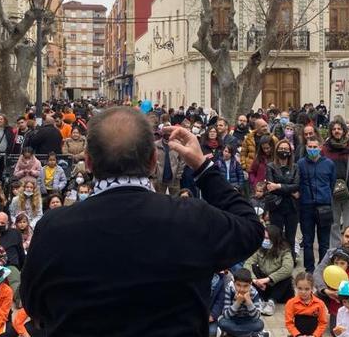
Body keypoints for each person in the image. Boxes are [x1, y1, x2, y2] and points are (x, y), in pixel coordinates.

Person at [21, 107, 264, 337]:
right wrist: (203, 168)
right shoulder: (191, 218)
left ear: (89, 162)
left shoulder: (54, 228)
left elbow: (34, 305)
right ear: (151, 161)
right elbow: (251, 228)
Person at [297, 135, 336, 272]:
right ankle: (309, 269)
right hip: (306, 206)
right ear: (306, 147)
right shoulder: (300, 164)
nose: (312, 149)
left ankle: (323, 268)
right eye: (310, 147)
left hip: (324, 206)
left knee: (324, 241)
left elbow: (332, 184)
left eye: (315, 147)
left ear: (320, 148)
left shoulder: (329, 164)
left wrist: (325, 197)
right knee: (307, 241)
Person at [322, 120, 349, 245]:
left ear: (344, 131)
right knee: (333, 224)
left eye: (339, 128)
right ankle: (335, 251)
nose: (336, 131)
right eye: (334, 129)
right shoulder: (325, 150)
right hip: (331, 193)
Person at [244, 224, 295, 315]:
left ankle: (271, 302)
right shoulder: (261, 249)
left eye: (267, 238)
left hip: (277, 286)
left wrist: (268, 279)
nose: (265, 240)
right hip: (263, 285)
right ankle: (260, 300)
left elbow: (288, 268)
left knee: (286, 276)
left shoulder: (284, 251)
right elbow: (248, 263)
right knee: (253, 269)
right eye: (264, 238)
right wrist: (255, 280)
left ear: (275, 239)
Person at [264, 140, 300, 251]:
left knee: (290, 237)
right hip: (276, 205)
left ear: (290, 152)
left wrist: (278, 186)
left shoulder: (295, 167)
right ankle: (276, 258)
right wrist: (289, 190)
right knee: (276, 236)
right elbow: (270, 187)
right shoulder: (271, 166)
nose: (283, 151)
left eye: (286, 149)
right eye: (281, 149)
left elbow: (296, 185)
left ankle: (290, 259)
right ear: (276, 150)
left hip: (292, 207)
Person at [218, 268, 265, 337]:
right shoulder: (229, 290)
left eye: (246, 286)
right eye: (238, 285)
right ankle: (249, 334)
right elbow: (226, 315)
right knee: (222, 322)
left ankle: (233, 333)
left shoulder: (254, 292)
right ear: (234, 283)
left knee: (260, 324)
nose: (242, 289)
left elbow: (256, 317)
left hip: (248, 320)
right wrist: (237, 302)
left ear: (250, 284)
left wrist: (249, 302)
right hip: (233, 320)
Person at [284, 272, 328, 337]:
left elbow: (323, 323)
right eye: (300, 288)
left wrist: (315, 335)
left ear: (312, 288)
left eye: (307, 289)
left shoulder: (319, 304)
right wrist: (297, 335)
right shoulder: (291, 303)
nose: (303, 292)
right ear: (295, 287)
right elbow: (289, 323)